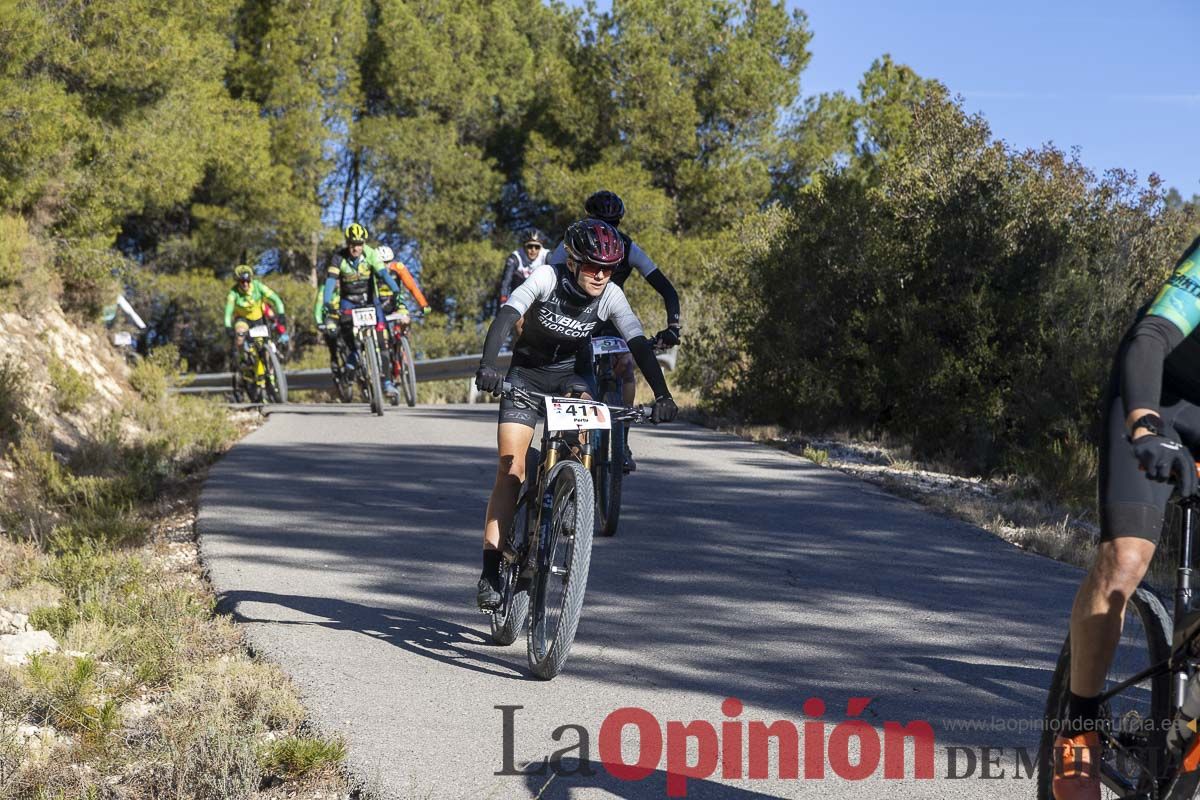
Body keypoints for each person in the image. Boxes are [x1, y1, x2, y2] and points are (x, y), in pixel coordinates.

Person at [1053, 236, 1200, 800]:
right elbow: (1152, 335)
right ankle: (1080, 730)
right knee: (1126, 559)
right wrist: (1143, 423)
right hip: (1157, 396)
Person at [473, 218, 678, 609]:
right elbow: (506, 315)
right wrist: (488, 366)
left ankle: (568, 497)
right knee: (511, 469)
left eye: (609, 268)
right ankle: (490, 569)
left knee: (576, 448)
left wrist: (664, 394)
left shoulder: (611, 295)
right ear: (573, 263)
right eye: (593, 267)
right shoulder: (547, 278)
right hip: (525, 376)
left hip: (573, 379)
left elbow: (637, 343)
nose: (601, 275)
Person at [547, 190, 680, 472]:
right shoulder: (572, 243)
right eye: (600, 221)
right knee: (576, 380)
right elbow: (548, 281)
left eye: (613, 224)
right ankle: (568, 441)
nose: (607, 229)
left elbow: (666, 288)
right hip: (576, 316)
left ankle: (623, 441)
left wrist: (674, 326)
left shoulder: (628, 247)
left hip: (609, 320)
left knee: (626, 368)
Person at [324, 223, 404, 400]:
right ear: (347, 243)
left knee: (383, 343)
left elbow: (383, 274)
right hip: (348, 302)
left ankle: (387, 383)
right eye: (352, 243)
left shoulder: (371, 254)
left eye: (359, 244)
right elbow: (331, 281)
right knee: (347, 335)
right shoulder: (338, 258)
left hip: (370, 301)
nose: (356, 248)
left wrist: (396, 291)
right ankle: (352, 359)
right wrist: (326, 301)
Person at [223, 265, 286, 389]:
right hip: (243, 320)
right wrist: (228, 327)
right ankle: (243, 360)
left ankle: (271, 375)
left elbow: (276, 299)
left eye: (247, 280)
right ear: (238, 282)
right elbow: (228, 313)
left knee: (264, 347)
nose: (245, 284)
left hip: (258, 320)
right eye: (242, 281)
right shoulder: (233, 293)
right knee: (240, 334)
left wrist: (281, 314)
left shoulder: (258, 286)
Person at [375, 244, 432, 329]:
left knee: (405, 321)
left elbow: (412, 287)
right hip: (378, 304)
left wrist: (424, 304)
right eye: (382, 263)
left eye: (388, 262)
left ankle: (402, 338)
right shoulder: (371, 271)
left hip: (396, 302)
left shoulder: (398, 268)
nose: (386, 265)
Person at [499, 228, 550, 305]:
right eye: (530, 246)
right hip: (519, 293)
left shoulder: (546, 255)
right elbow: (506, 280)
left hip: (540, 294)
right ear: (524, 246)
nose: (533, 250)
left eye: (537, 247)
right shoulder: (516, 257)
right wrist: (503, 301)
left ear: (541, 247)